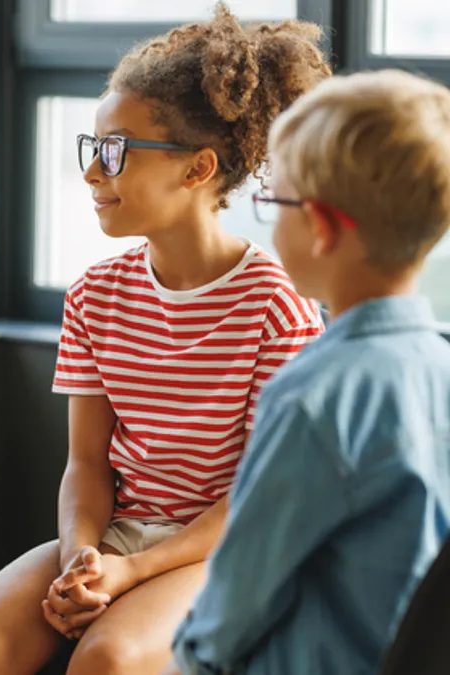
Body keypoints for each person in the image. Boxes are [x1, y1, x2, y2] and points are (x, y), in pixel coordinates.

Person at [0, 5, 330, 673]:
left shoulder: (276, 306)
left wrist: (132, 571)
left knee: (109, 659)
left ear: (197, 168)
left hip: (228, 550)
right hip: (119, 537)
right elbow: (86, 465)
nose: (93, 172)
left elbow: (258, 496)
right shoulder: (95, 296)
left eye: (115, 151)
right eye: (93, 149)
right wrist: (80, 561)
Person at [169, 68, 450, 675]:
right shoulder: (441, 366)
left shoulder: (313, 398)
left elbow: (230, 611)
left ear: (320, 227)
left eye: (275, 202)